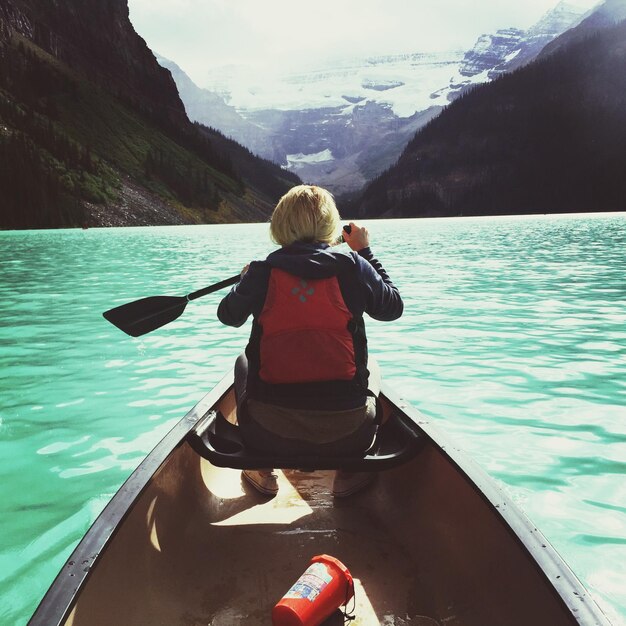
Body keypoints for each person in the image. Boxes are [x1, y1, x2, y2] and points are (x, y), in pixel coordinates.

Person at [217, 185, 403, 497]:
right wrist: (364, 252)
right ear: (330, 226)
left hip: (267, 434)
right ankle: (348, 472)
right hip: (349, 433)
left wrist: (245, 281)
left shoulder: (263, 272)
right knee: (370, 363)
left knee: (242, 361)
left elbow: (228, 316)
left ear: (280, 225)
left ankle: (263, 470)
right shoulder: (353, 267)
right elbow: (392, 307)